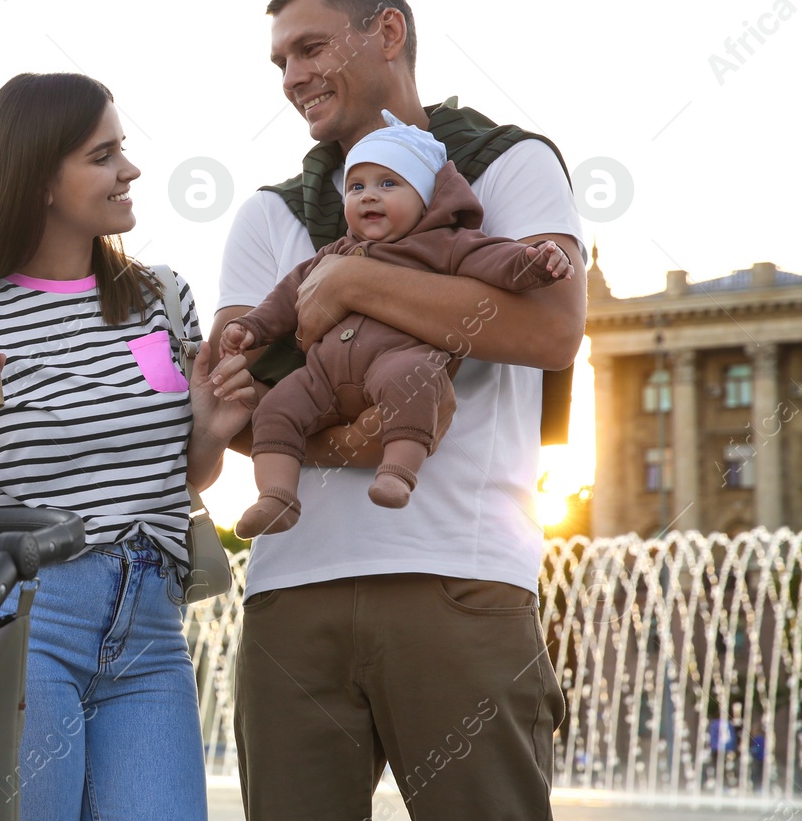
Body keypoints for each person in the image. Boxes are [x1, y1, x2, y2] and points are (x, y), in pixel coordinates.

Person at [208, 0, 584, 821]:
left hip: (458, 581)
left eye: (310, 46)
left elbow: (546, 330)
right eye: (279, 59)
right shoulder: (271, 213)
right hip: (292, 603)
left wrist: (353, 285)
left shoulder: (509, 165)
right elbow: (243, 411)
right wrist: (362, 428)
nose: (291, 76)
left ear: (388, 34)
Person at [0, 71, 250, 821]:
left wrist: (207, 429)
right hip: (24, 627)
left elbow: (186, 473)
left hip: (149, 631)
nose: (129, 169)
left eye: (123, 148)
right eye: (103, 155)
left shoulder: (158, 299)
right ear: (38, 181)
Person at [220, 111, 574, 538]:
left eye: (388, 183)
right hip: (324, 374)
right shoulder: (334, 252)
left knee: (415, 382)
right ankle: (275, 495)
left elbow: (496, 261)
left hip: (396, 358)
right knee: (277, 407)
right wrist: (254, 328)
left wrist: (537, 262)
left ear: (426, 197)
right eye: (357, 186)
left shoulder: (444, 244)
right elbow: (287, 296)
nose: (369, 196)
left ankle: (397, 472)